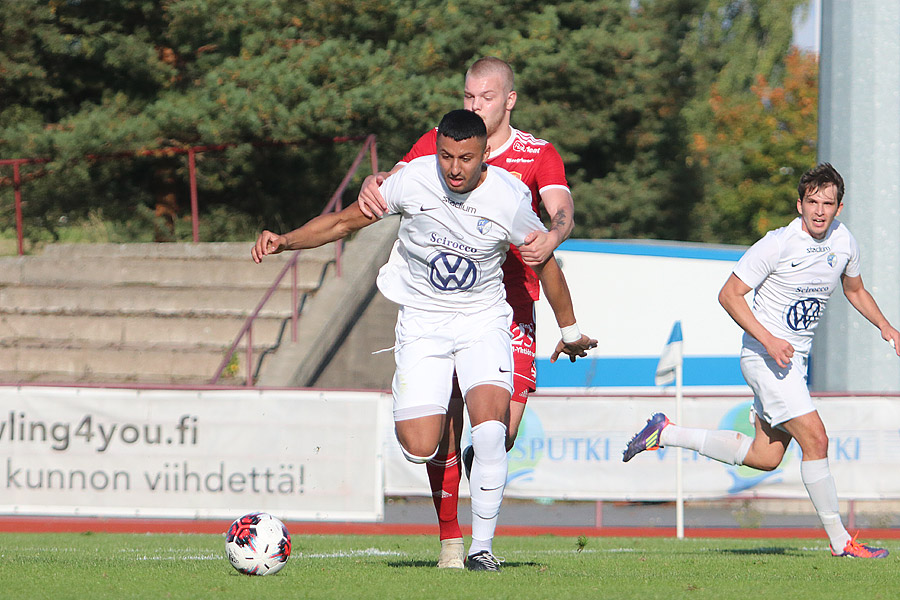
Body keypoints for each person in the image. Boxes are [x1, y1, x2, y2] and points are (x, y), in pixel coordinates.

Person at [253, 109, 595, 571]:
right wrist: (286, 241)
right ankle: (450, 510)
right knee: (420, 444)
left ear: (485, 156)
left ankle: (481, 549)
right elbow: (342, 224)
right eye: (447, 156)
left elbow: (546, 265)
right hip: (422, 323)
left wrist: (569, 331)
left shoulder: (509, 198)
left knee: (493, 433)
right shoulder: (411, 181)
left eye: (466, 158)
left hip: (483, 322)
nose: (455, 168)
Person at [357, 57, 583, 569]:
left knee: (500, 430)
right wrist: (376, 182)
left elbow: (561, 206)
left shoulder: (536, 154)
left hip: (509, 303)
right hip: (439, 305)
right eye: (467, 96)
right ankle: (458, 541)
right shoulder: (443, 139)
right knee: (445, 428)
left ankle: (472, 512)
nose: (473, 106)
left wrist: (555, 232)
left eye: (484, 97)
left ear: (509, 100)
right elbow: (399, 179)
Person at [622, 163, 898, 559]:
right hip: (764, 357)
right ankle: (842, 543)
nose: (820, 211)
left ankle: (665, 433)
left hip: (793, 362)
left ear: (840, 208)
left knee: (766, 457)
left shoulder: (845, 242)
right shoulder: (777, 243)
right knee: (816, 439)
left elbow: (855, 290)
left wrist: (888, 327)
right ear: (799, 203)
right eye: (813, 202)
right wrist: (768, 340)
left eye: (829, 203)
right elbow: (729, 294)